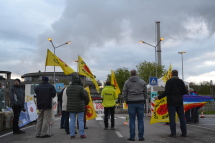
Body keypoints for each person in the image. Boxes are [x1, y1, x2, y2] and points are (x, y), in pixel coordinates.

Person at [154, 70, 188, 137]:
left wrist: (159, 97)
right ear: (177, 74)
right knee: (182, 118)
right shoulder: (181, 82)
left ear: (172, 74)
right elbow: (185, 92)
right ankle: (184, 133)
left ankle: (173, 133)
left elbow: (166, 92)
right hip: (179, 102)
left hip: (171, 102)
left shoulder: (169, 81)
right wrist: (179, 94)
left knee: (172, 118)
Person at [122, 69, 147, 141]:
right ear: (137, 74)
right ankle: (141, 137)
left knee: (132, 120)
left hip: (131, 102)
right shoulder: (142, 82)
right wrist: (144, 100)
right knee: (140, 120)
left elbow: (124, 93)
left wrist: (127, 100)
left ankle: (132, 137)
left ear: (130, 75)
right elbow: (145, 92)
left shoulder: (127, 82)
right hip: (140, 102)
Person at [67, 75, 86, 139]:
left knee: (72, 120)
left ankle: (72, 134)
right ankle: (82, 134)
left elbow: (67, 95)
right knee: (80, 120)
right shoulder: (80, 87)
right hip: (79, 106)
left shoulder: (68, 87)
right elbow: (84, 97)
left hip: (71, 106)